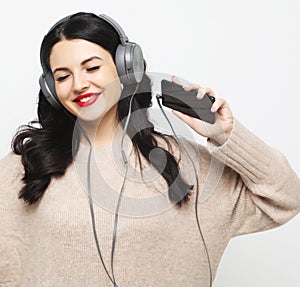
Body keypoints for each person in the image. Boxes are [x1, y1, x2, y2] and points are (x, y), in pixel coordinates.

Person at [0, 12, 299, 287]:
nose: (79, 84)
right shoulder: (27, 165)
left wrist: (225, 136)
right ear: (51, 89)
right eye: (63, 76)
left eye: (91, 67)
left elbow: (285, 198)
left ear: (126, 67)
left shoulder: (185, 162)